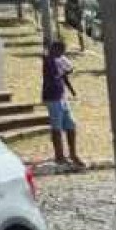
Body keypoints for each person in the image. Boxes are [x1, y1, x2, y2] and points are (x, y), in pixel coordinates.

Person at [42, 39, 85, 169]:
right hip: (52, 97)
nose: (62, 54)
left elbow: (64, 77)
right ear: (55, 49)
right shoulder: (48, 60)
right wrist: (65, 71)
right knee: (57, 127)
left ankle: (72, 154)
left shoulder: (58, 60)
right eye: (61, 51)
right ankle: (59, 156)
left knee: (71, 124)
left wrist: (72, 91)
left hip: (62, 97)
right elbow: (55, 76)